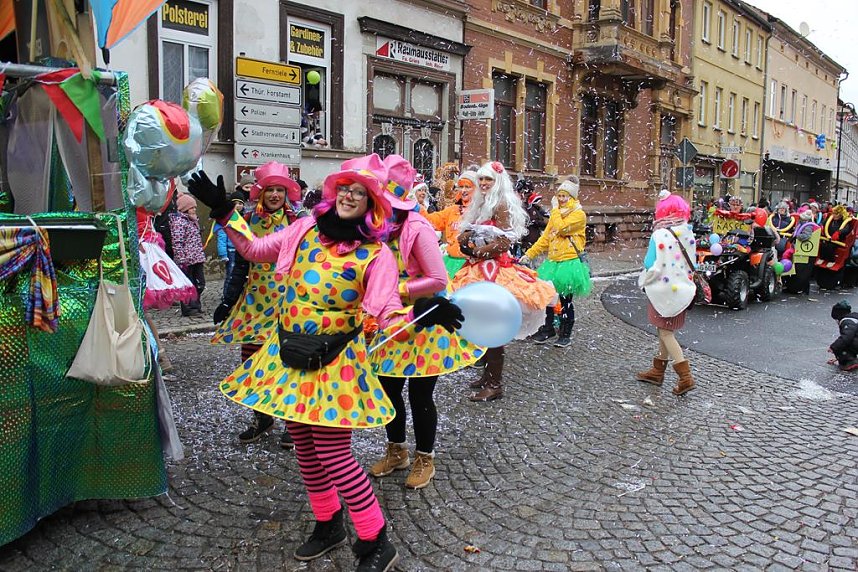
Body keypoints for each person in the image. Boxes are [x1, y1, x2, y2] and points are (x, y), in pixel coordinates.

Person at [187, 154, 462, 571]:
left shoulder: (375, 256)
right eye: (345, 189)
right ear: (333, 195)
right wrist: (225, 212)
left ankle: (376, 541)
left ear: (374, 205)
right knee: (303, 444)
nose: (350, 195)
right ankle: (328, 523)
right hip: (289, 355)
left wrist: (423, 311)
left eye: (361, 192)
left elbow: (386, 315)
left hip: (335, 363)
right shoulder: (303, 230)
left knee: (334, 453)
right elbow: (255, 249)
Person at [368, 154, 482, 489]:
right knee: (389, 390)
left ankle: (424, 458)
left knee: (420, 395)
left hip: (425, 321)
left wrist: (395, 287)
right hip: (390, 322)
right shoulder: (375, 227)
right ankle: (396, 451)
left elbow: (436, 280)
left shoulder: (417, 228)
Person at [211, 162, 301, 448]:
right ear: (260, 193)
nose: (275, 195)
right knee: (252, 362)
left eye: (280, 190)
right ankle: (262, 417)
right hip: (255, 304)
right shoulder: (248, 221)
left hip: (288, 305)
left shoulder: (299, 222)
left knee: (287, 364)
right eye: (270, 190)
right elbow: (240, 265)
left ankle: (292, 422)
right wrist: (228, 300)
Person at [452, 161, 556, 401]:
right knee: (480, 320)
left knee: (493, 325)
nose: (484, 184)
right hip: (477, 269)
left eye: (488, 179)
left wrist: (479, 251)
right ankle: (487, 376)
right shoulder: (480, 204)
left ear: (497, 181)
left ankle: (495, 384)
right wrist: (466, 242)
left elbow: (504, 242)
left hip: (494, 270)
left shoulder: (502, 205)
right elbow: (469, 231)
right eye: (481, 180)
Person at [635, 192, 696, 396]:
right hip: (682, 290)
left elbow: (649, 263)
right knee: (664, 329)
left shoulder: (659, 234)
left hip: (662, 290)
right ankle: (657, 371)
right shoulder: (687, 232)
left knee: (666, 332)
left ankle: (685, 376)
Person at [520, 175, 592, 348]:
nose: (561, 199)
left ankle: (565, 333)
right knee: (548, 298)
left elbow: (561, 228)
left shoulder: (578, 215)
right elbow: (545, 238)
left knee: (566, 300)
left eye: (564, 196)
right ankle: (548, 328)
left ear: (572, 197)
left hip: (569, 263)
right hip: (553, 262)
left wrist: (554, 212)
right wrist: (529, 254)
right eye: (559, 195)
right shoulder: (556, 214)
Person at [426, 170, 476, 279]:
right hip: (450, 263)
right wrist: (416, 209)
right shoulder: (452, 210)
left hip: (472, 266)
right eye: (461, 187)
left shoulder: (482, 212)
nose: (463, 190)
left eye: (468, 187)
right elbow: (431, 221)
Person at [171, 193, 207, 317]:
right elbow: (177, 242)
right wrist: (181, 259)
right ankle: (189, 308)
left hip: (196, 257)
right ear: (185, 209)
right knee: (188, 285)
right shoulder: (179, 223)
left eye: (195, 208)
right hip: (186, 260)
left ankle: (196, 305)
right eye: (192, 207)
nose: (194, 210)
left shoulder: (193, 221)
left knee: (200, 283)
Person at [829, 301, 858, 371]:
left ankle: (849, 362)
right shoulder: (854, 317)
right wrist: (837, 358)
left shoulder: (847, 321)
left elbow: (847, 336)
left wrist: (834, 347)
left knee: (841, 343)